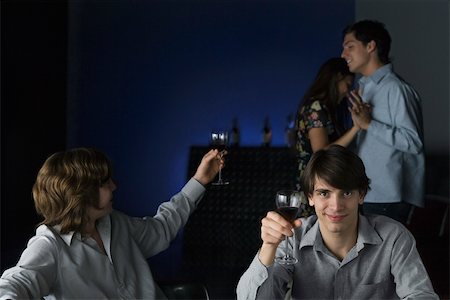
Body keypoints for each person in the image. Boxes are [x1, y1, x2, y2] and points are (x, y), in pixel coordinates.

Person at [0, 147, 224, 299]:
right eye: (105, 182)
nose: (114, 186)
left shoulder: (116, 223)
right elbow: (18, 281)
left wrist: (199, 180)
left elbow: (163, 228)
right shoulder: (50, 245)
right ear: (81, 193)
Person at [236, 145, 438, 300]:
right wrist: (268, 247)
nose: (336, 205)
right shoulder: (292, 238)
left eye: (347, 193)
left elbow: (421, 296)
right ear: (310, 197)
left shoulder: (394, 237)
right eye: (324, 193)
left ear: (361, 195)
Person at [341, 20, 425, 224]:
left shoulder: (395, 89)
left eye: (349, 46)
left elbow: (414, 143)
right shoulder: (363, 88)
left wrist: (370, 124)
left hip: (389, 198)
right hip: (366, 193)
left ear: (370, 46)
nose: (343, 55)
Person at [294, 57, 361, 217]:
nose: (347, 91)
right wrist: (357, 127)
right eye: (347, 84)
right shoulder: (315, 108)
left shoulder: (324, 108)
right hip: (315, 180)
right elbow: (321, 151)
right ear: (336, 78)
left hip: (319, 178)